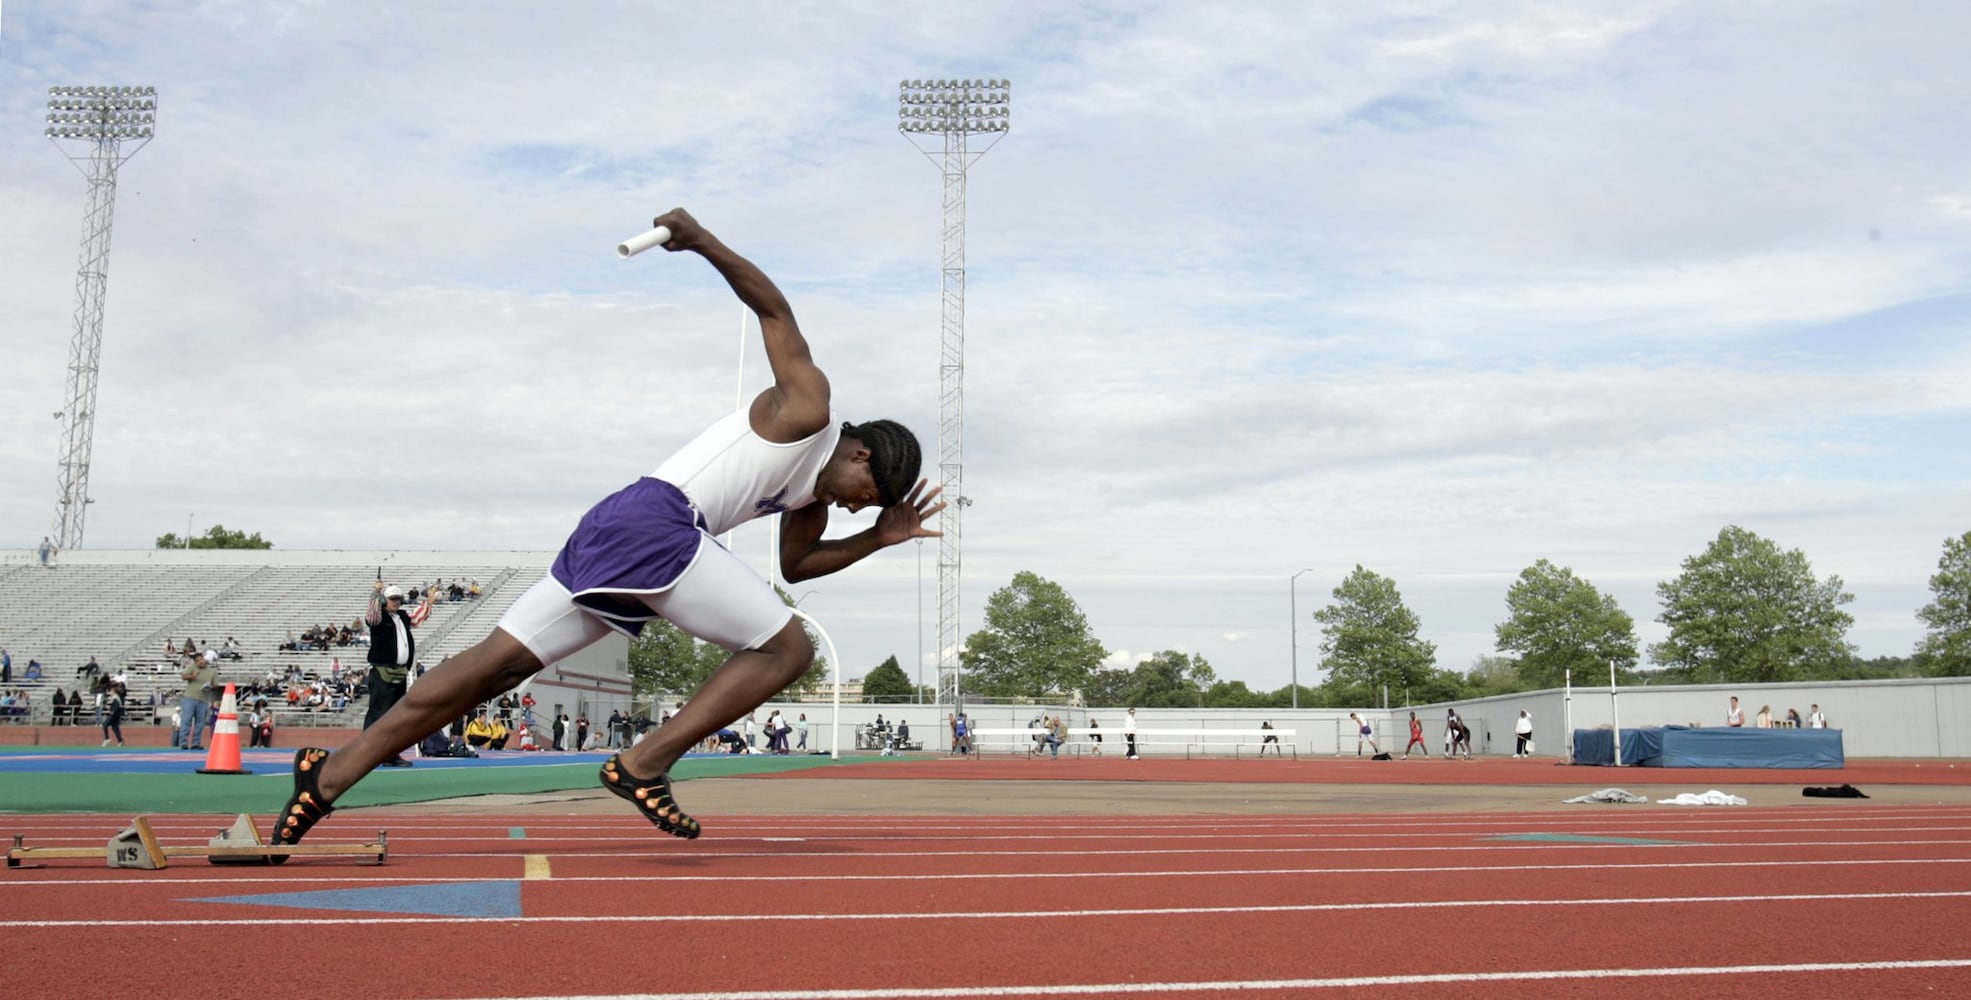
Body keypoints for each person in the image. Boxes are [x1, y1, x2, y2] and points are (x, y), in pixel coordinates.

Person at [271, 209, 938, 853]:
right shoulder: (809, 408)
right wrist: (701, 240)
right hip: (657, 523)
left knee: (492, 670)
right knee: (788, 651)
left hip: (623, 534)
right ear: (859, 454)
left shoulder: (808, 504)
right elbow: (773, 312)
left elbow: (799, 568)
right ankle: (643, 763)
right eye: (868, 497)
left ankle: (328, 777)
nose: (858, 509)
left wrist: (876, 540)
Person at [365, 582, 432, 767]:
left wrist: (428, 603)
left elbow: (417, 619)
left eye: (398, 599)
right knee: (378, 714)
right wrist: (376, 592)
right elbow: (372, 615)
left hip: (400, 673)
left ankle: (390, 754)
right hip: (382, 671)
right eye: (393, 599)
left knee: (395, 717)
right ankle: (366, 753)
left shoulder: (401, 616)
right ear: (384, 600)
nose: (396, 602)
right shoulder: (379, 617)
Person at [178, 648, 216, 750]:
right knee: (186, 721)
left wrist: (210, 687)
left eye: (201, 659)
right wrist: (192, 676)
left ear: (204, 658)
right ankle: (183, 742)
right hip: (190, 698)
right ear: (195, 662)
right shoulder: (192, 667)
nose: (200, 662)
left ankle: (196, 743)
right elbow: (183, 676)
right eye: (198, 661)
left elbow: (216, 685)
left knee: (200, 723)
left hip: (203, 699)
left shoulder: (212, 671)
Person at [100, 682, 125, 747]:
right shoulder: (116, 697)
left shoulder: (115, 697)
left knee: (104, 724)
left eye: (111, 691)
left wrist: (112, 711)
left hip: (114, 715)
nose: (110, 692)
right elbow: (112, 707)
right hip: (117, 715)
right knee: (115, 728)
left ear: (114, 692)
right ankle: (120, 741)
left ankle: (107, 738)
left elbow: (115, 707)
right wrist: (106, 706)